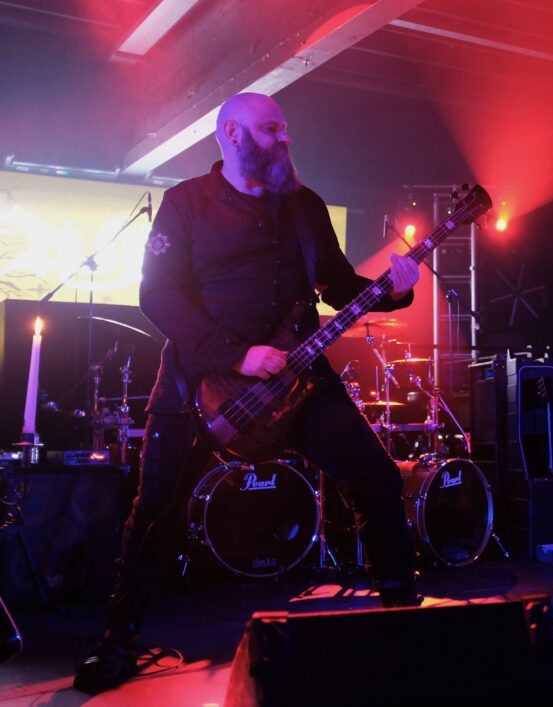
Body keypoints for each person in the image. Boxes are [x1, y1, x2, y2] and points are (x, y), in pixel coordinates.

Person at [74, 92, 422, 692]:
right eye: (270, 130)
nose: (284, 139)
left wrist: (394, 290)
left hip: (298, 376)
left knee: (378, 478)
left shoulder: (305, 207)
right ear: (232, 134)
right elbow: (158, 295)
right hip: (198, 383)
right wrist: (235, 355)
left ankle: (402, 625)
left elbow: (338, 284)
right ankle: (117, 640)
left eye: (285, 129)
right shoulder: (186, 203)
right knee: (155, 510)